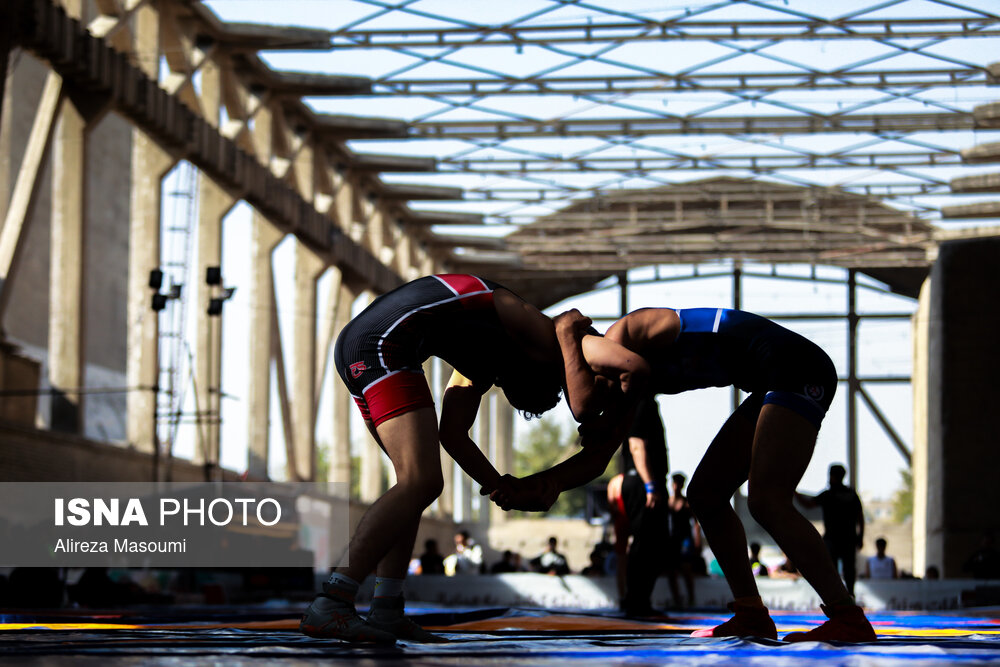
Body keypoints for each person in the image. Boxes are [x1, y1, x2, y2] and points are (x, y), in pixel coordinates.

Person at [489, 307, 877, 642]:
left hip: (796, 367)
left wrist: (564, 330)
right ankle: (751, 613)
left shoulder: (623, 337)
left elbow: (585, 405)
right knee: (706, 495)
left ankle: (847, 617)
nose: (592, 409)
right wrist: (543, 483)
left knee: (766, 500)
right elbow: (597, 458)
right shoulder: (631, 385)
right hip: (772, 379)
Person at [300, 274, 564, 644]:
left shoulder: (483, 360)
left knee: (414, 485)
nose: (498, 384)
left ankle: (386, 609)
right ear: (532, 359)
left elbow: (453, 435)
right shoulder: (513, 312)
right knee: (421, 482)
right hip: (381, 347)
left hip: (365, 346)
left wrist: (501, 487)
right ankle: (332, 602)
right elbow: (569, 329)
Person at [616, 395, 671, 616]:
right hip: (642, 482)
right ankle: (636, 601)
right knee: (646, 543)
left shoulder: (642, 403)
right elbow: (637, 444)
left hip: (643, 480)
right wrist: (650, 484)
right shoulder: (640, 402)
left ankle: (639, 600)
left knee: (652, 544)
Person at [796, 464, 865, 596]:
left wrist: (793, 491)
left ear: (833, 476)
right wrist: (860, 536)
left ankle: (836, 595)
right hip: (848, 538)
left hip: (833, 539)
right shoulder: (850, 494)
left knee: (831, 570)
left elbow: (808, 504)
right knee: (849, 569)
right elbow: (860, 518)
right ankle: (850, 594)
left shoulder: (828, 495)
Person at [666, 472, 702, 608]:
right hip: (672, 539)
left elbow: (695, 523)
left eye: (678, 484)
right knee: (671, 571)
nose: (676, 486)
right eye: (674, 483)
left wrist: (697, 540)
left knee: (686, 568)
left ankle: (691, 597)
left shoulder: (686, 503)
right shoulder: (668, 502)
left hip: (685, 539)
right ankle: (676, 599)